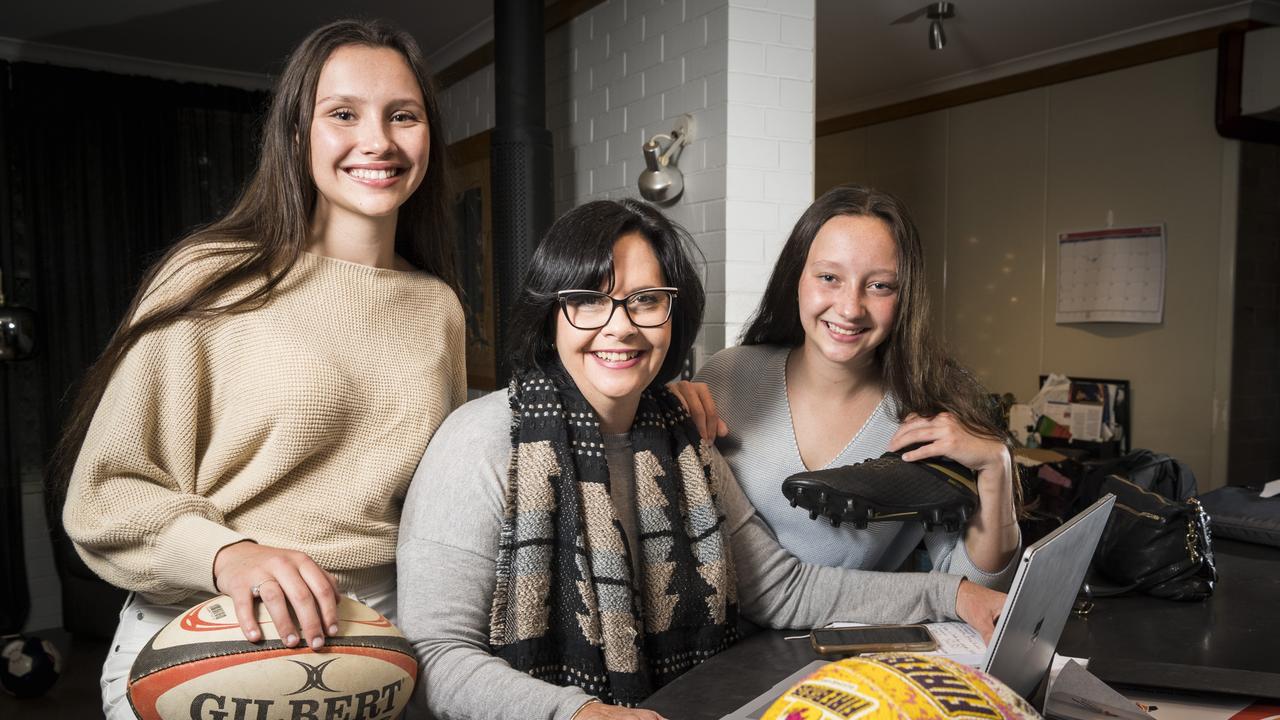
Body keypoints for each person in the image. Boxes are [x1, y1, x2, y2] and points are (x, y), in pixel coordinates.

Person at [396, 199, 1006, 720]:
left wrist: (954, 596)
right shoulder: (482, 441)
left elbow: (784, 591)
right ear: (552, 313)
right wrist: (576, 713)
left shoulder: (683, 440)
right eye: (588, 299)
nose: (621, 327)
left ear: (674, 315)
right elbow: (436, 656)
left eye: (645, 300)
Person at [52, 20, 466, 719]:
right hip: (211, 636)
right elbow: (106, 494)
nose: (380, 141)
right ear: (297, 135)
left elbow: (443, 491)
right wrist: (229, 554)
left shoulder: (438, 307)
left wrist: (653, 404)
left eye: (404, 116)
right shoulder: (211, 278)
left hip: (381, 647)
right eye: (343, 114)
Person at [671, 184, 1020, 586]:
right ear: (796, 278)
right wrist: (664, 412)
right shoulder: (726, 377)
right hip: (719, 645)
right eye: (829, 277)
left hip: (846, 647)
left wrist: (998, 466)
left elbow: (971, 591)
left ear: (905, 297)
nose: (851, 308)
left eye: (880, 286)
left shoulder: (926, 416)